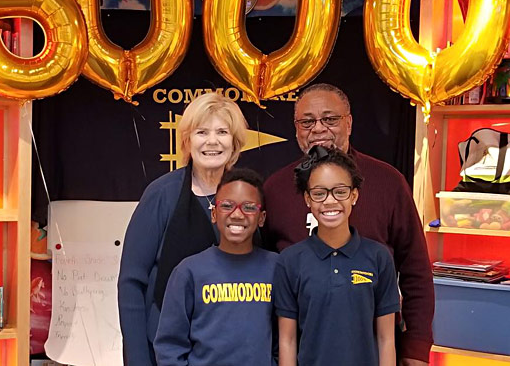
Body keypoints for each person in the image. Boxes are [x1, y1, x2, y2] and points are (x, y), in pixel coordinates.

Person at [263, 83, 434, 366]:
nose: (318, 129)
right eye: (307, 121)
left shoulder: (388, 183)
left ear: (349, 123)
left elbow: (416, 271)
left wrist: (415, 348)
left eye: (330, 119)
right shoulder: (275, 188)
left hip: (371, 350)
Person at [118, 92, 249, 366]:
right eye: (202, 132)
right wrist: (138, 359)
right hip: (166, 352)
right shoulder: (161, 195)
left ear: (234, 143)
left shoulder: (247, 195)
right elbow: (131, 283)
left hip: (232, 349)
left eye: (222, 132)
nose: (212, 141)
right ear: (188, 141)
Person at [276, 146, 399, 366]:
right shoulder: (290, 261)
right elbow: (287, 339)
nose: (330, 201)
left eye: (340, 191)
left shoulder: (378, 257)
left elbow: (386, 338)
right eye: (319, 193)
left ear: (354, 195)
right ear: (307, 199)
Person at [154, 168, 278, 366]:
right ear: (214, 213)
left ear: (261, 218)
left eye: (249, 207)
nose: (237, 215)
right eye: (227, 205)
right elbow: (169, 346)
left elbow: (284, 338)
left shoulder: (276, 268)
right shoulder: (188, 272)